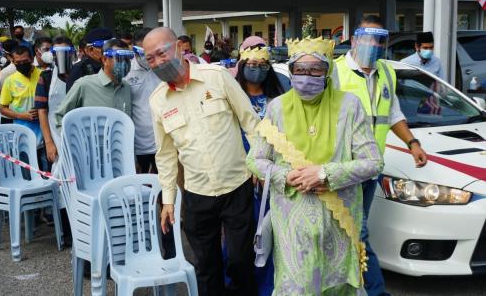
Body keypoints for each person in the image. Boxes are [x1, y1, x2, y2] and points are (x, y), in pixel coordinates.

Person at [246, 36, 384, 295]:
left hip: (338, 225)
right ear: (291, 71)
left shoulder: (349, 106)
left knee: (337, 287)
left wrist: (324, 174)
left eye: (315, 70)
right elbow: (255, 160)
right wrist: (287, 176)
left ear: (328, 71)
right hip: (292, 230)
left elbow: (373, 162)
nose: (306, 76)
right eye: (300, 70)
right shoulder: (277, 108)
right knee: (297, 288)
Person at [145, 27, 260, 296]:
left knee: (241, 262)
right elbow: (165, 154)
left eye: (161, 53)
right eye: (149, 58)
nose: (158, 62)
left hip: (237, 187)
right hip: (197, 195)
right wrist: (169, 200)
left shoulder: (216, 77)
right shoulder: (158, 101)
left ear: (178, 48)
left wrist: (258, 162)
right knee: (206, 268)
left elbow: (250, 123)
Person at [332, 15, 428, 296]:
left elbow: (393, 112)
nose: (374, 44)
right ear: (354, 40)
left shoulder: (386, 72)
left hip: (371, 169)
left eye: (379, 39)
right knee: (356, 231)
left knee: (353, 232)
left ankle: (351, 285)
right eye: (368, 37)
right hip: (344, 169)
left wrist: (412, 143)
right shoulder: (335, 72)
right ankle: (374, 291)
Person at [235, 45, 285, 296]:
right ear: (242, 66)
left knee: (267, 232)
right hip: (239, 174)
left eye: (262, 65)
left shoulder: (279, 99)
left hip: (270, 174)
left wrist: (267, 168)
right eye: (251, 65)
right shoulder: (234, 96)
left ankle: (268, 286)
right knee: (242, 235)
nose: (256, 70)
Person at [55, 38, 132, 127]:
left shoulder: (127, 88)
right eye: (119, 58)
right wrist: (72, 139)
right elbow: (60, 117)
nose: (125, 63)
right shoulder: (84, 85)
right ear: (104, 59)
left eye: (128, 59)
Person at [124, 28, 161, 174]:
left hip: (164, 142)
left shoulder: (163, 67)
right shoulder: (127, 71)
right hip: (139, 144)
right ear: (134, 49)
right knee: (143, 186)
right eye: (142, 51)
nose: (146, 56)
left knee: (165, 186)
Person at [34, 36, 75, 168]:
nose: (61, 56)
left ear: (72, 53)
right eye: (57, 53)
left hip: (78, 132)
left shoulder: (81, 74)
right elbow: (42, 111)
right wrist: (48, 142)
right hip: (56, 135)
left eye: (65, 52)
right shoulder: (46, 78)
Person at [0, 45, 42, 148]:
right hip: (22, 138)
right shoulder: (10, 81)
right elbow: (2, 108)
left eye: (25, 61)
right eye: (18, 63)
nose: (22, 64)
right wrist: (21, 115)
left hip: (45, 137)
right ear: (13, 61)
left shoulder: (44, 76)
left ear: (31, 58)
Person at [65, 27, 113, 92]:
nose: (110, 50)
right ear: (90, 50)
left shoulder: (113, 65)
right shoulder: (79, 69)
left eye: (112, 47)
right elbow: (72, 99)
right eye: (105, 47)